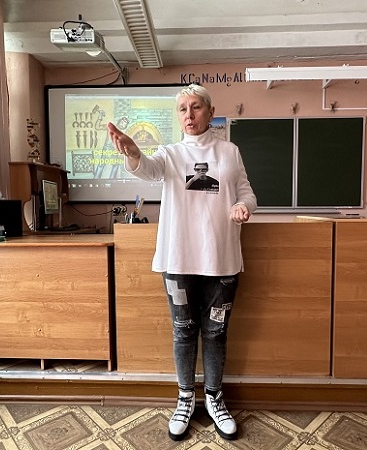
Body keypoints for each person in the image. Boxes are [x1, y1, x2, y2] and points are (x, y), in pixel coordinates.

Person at [107, 84, 257, 441]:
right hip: (178, 259)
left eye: (196, 107)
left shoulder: (229, 152)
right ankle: (185, 398)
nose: (189, 115)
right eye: (182, 109)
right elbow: (148, 169)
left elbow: (247, 192)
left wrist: (242, 206)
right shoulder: (170, 153)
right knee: (183, 330)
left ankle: (215, 398)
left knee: (216, 332)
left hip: (221, 261)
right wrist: (133, 153)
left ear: (210, 111)